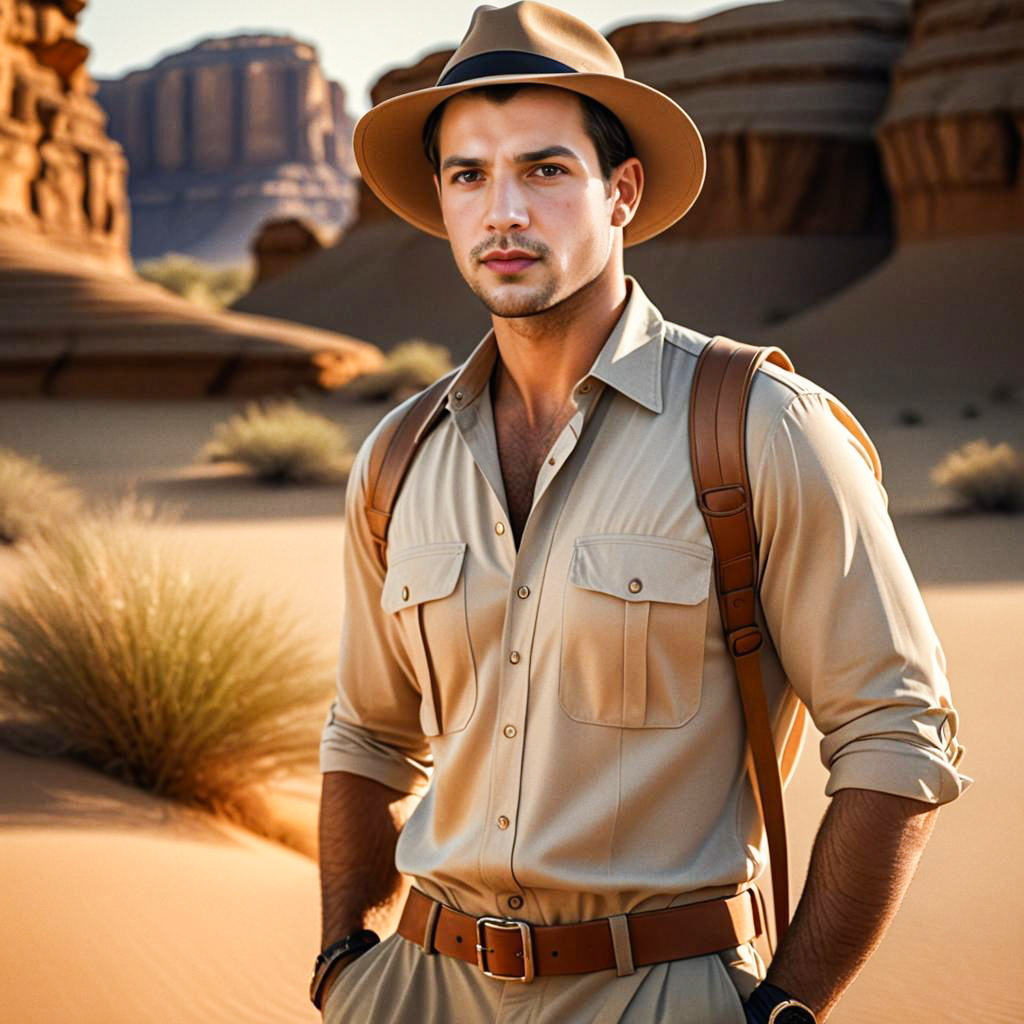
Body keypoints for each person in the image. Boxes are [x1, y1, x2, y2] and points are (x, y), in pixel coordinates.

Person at [312, 4, 971, 1021]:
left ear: (621, 191)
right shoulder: (399, 455)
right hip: (415, 988)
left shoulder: (759, 428)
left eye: (544, 170)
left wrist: (787, 1007)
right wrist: (343, 963)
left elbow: (897, 734)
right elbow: (365, 733)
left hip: (658, 994)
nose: (502, 214)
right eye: (467, 175)